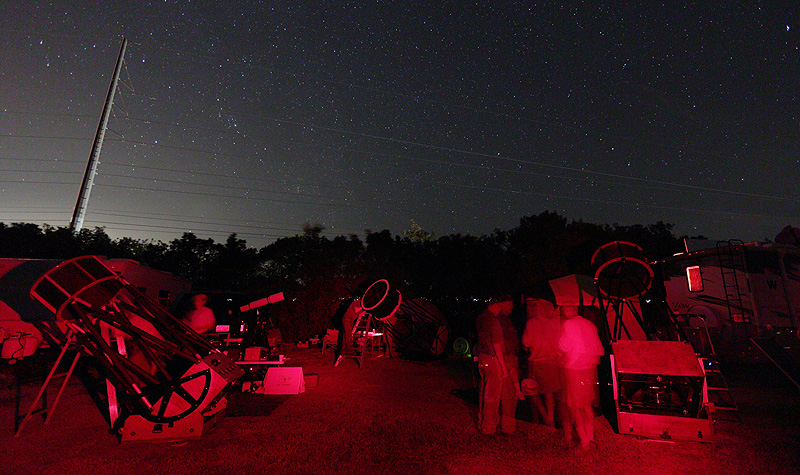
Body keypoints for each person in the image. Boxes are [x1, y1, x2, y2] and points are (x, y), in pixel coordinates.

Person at [558, 305, 604, 449]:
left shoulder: (568, 324)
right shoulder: (590, 325)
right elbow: (600, 350)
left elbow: (563, 346)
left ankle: (584, 440)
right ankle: (590, 436)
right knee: (586, 404)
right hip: (589, 368)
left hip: (574, 369)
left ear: (567, 310)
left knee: (576, 406)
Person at [475, 299, 524, 435]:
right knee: (494, 396)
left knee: (486, 392)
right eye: (509, 303)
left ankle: (483, 423)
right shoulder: (494, 320)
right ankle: (489, 428)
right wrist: (503, 367)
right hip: (494, 359)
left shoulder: (482, 317)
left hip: (484, 358)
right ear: (500, 302)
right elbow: (497, 346)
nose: (512, 307)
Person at [521, 297, 563, 428]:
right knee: (549, 392)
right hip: (551, 362)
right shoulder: (553, 324)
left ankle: (543, 416)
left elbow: (526, 342)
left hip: (536, 362)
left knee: (533, 391)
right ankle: (550, 417)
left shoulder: (532, 323)